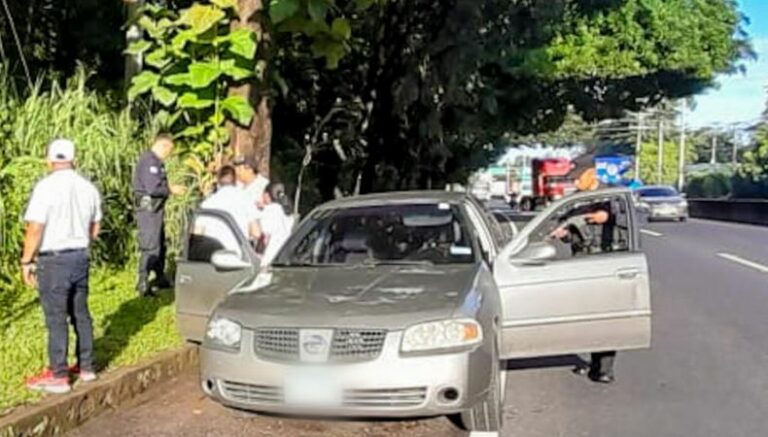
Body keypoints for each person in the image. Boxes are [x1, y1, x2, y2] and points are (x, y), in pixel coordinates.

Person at [21, 139, 101, 394]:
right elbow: (95, 228)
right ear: (74, 160)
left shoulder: (45, 188)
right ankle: (87, 366)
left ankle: (59, 374)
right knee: (81, 313)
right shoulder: (88, 188)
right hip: (79, 256)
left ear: (49, 161)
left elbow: (35, 228)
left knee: (56, 317)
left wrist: (27, 260)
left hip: (53, 259)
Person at [550, 154, 618, 384]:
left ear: (592, 174)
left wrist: (605, 216)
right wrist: (564, 234)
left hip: (606, 262)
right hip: (581, 261)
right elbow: (568, 230)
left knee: (605, 316)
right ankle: (591, 361)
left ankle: (604, 368)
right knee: (585, 313)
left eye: (579, 178)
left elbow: (623, 219)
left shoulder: (611, 195)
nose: (575, 182)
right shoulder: (576, 201)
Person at [132, 134, 185, 296]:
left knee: (160, 243)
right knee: (151, 245)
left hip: (156, 209)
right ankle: (143, 281)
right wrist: (171, 190)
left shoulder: (156, 161)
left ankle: (160, 276)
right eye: (170, 150)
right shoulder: (149, 161)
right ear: (163, 146)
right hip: (148, 209)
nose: (170, 154)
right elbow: (153, 188)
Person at [198, 165, 262, 247]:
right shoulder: (246, 199)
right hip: (237, 251)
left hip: (213, 251)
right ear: (235, 181)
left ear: (218, 182)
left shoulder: (207, 203)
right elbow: (256, 233)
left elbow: (198, 233)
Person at [258, 183, 294, 266]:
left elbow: (264, 236)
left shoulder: (269, 211)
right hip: (284, 255)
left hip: (270, 256)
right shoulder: (288, 212)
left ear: (267, 195)